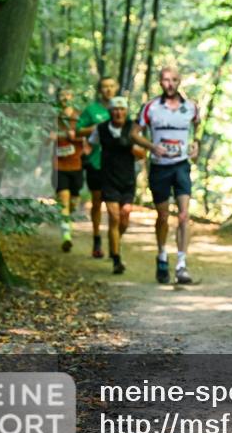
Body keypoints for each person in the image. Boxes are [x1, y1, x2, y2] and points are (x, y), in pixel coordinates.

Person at [131, 66, 200, 285]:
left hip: (181, 165)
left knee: (183, 215)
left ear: (180, 81)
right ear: (160, 82)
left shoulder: (190, 107)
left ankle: (181, 264)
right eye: (166, 80)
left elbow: (197, 127)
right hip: (159, 167)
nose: (170, 84)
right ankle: (162, 255)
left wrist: (196, 144)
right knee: (163, 216)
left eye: (174, 80)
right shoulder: (150, 107)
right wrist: (151, 146)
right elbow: (134, 133)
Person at [88, 96, 141, 275]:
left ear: (126, 111)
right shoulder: (101, 128)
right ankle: (117, 260)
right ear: (110, 112)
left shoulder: (133, 128)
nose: (119, 113)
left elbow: (142, 153)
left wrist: (132, 147)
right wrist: (87, 161)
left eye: (122, 109)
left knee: (124, 217)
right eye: (115, 110)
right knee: (114, 216)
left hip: (127, 180)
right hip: (108, 178)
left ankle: (114, 243)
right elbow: (90, 145)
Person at [77, 76, 119, 258]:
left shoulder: (121, 108)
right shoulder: (91, 110)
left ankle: (114, 243)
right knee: (97, 201)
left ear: (116, 88)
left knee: (115, 207)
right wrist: (96, 127)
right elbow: (78, 130)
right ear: (100, 90)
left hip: (116, 165)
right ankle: (96, 238)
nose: (108, 90)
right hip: (96, 162)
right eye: (104, 87)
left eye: (111, 86)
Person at [54, 88, 86, 252]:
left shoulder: (79, 117)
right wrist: (51, 137)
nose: (65, 97)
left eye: (68, 94)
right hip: (59, 166)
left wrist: (76, 136)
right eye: (61, 95)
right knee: (64, 199)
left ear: (72, 97)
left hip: (76, 164)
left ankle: (68, 222)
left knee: (73, 202)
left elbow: (89, 137)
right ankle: (66, 236)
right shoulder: (54, 117)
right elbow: (43, 140)